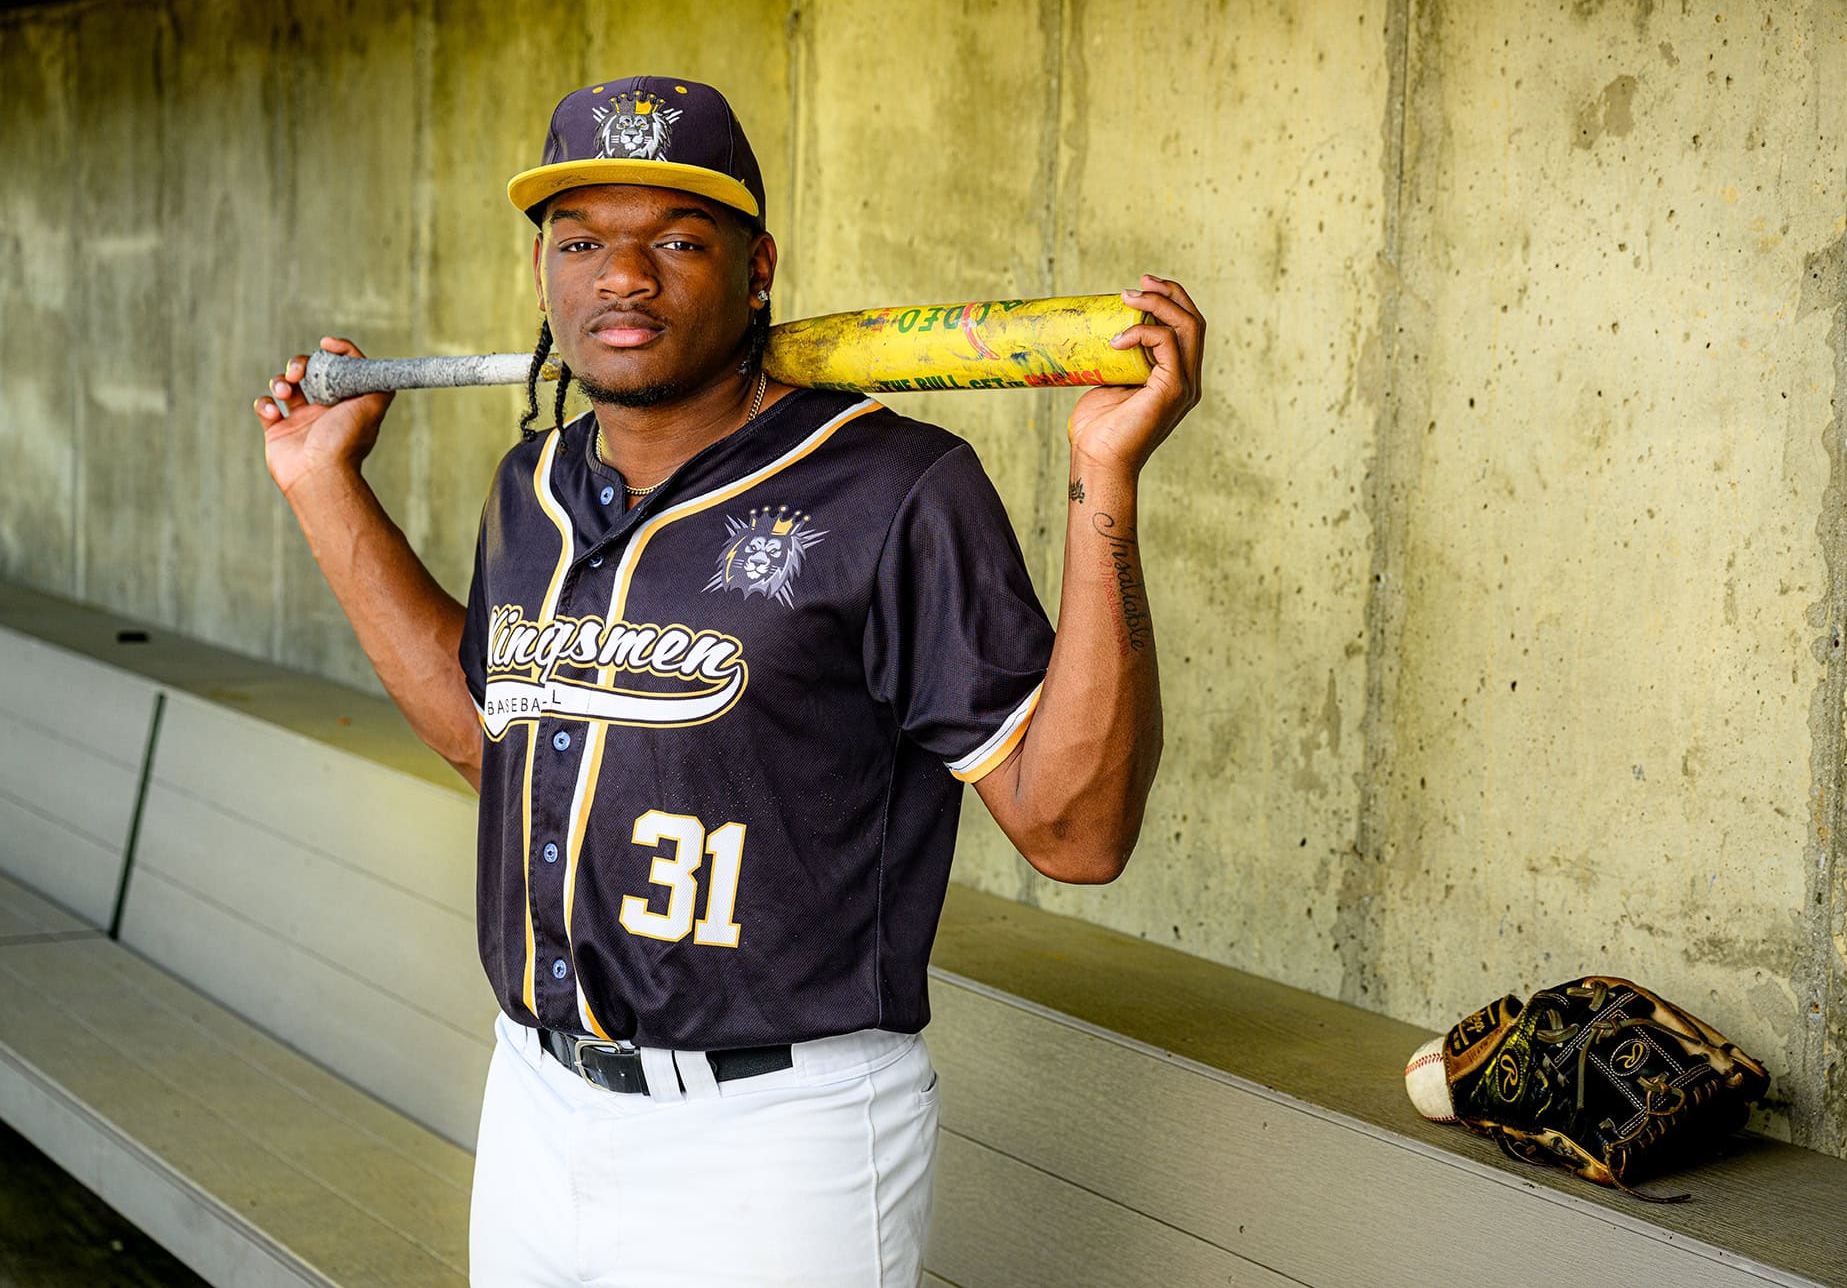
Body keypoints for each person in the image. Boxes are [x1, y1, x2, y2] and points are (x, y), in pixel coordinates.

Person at [255, 74, 1204, 1287]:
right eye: (581, 240)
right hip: (536, 1105)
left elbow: (1075, 830)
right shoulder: (532, 487)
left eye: (678, 240)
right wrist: (320, 483)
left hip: (777, 1142)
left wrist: (1104, 481)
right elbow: (499, 740)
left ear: (758, 270)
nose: (623, 278)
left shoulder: (893, 489)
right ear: (544, 270)